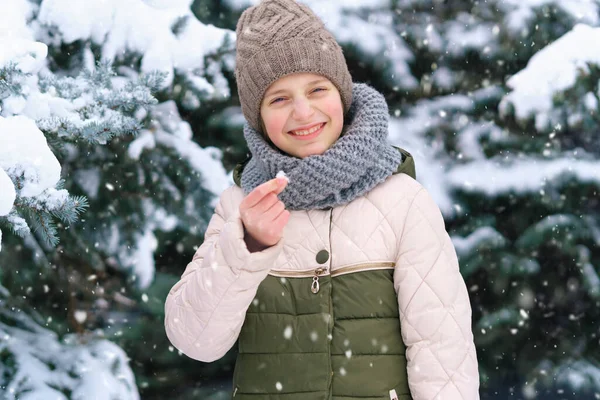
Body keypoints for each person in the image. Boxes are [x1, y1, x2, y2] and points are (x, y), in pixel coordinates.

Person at [164, 0, 480, 398]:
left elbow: (442, 350)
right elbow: (195, 341)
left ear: (342, 93)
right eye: (278, 99)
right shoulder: (241, 207)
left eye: (317, 89)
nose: (303, 111)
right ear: (258, 118)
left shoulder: (403, 202)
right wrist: (248, 246)